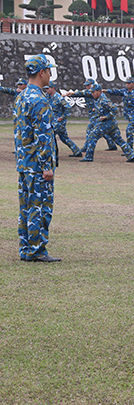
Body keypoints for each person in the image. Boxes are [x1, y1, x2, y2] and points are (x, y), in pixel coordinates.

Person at [14, 55, 59, 262]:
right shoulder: (40, 100)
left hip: (24, 164)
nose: (50, 74)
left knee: (26, 208)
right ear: (42, 72)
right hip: (37, 166)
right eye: (49, 71)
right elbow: (43, 137)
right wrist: (47, 166)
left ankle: (26, 249)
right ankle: (37, 250)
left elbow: (20, 133)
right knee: (40, 208)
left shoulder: (21, 97)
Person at [70, 82, 134, 163]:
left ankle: (89, 156)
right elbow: (85, 94)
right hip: (110, 124)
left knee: (92, 136)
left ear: (99, 91)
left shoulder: (103, 100)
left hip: (107, 123)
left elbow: (115, 110)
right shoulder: (98, 99)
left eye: (93, 92)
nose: (92, 94)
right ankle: (131, 156)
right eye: (91, 92)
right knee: (119, 140)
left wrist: (106, 116)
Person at [105, 77, 134, 154]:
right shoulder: (124, 91)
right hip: (128, 115)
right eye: (126, 83)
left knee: (129, 130)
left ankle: (129, 150)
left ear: (133, 84)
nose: (127, 85)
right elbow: (115, 91)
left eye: (129, 83)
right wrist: (105, 90)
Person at [46, 82, 82, 157]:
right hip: (52, 121)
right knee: (64, 138)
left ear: (53, 88)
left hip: (58, 122)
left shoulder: (59, 98)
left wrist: (63, 117)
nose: (46, 90)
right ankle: (77, 151)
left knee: (51, 135)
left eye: (48, 88)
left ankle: (54, 154)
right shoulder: (48, 97)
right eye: (46, 89)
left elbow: (68, 107)